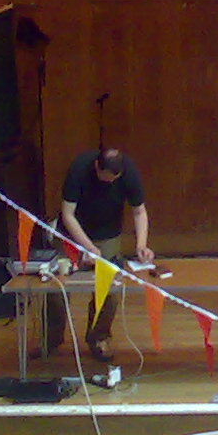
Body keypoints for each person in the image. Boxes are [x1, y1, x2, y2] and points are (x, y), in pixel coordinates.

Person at [58, 146, 152, 360]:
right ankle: (51, 339)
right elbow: (68, 215)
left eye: (115, 179)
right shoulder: (79, 169)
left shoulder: (128, 171)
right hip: (71, 234)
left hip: (108, 234)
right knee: (56, 286)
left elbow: (139, 211)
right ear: (97, 167)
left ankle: (98, 337)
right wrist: (89, 248)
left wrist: (141, 244)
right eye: (106, 178)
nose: (110, 182)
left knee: (108, 288)